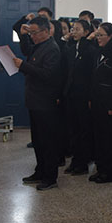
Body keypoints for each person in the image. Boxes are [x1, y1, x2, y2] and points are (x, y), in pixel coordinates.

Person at [12, 15, 63, 191]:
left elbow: (47, 74)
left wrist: (23, 66)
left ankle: (50, 177)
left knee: (48, 142)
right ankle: (40, 171)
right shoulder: (39, 46)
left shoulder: (52, 49)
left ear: (46, 31)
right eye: (30, 33)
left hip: (45, 101)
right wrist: (23, 35)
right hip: (34, 100)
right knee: (38, 140)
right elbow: (27, 50)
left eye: (35, 33)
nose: (32, 36)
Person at [63, 20, 98, 175]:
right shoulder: (71, 49)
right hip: (71, 94)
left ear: (86, 32)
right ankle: (75, 160)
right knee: (73, 130)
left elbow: (92, 76)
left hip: (84, 95)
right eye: (73, 29)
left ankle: (82, 163)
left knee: (84, 130)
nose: (74, 32)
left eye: (78, 29)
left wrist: (90, 96)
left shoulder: (90, 50)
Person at [89, 23, 112, 183]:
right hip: (97, 100)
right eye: (97, 35)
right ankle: (100, 167)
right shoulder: (99, 53)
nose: (98, 38)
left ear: (110, 36)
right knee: (99, 137)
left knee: (108, 139)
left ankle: (108, 171)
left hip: (108, 102)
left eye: (101, 35)